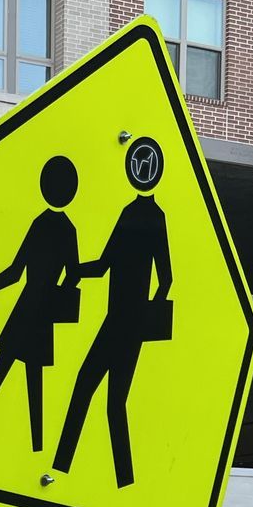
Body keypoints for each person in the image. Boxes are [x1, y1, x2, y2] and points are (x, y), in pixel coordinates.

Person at [52, 137, 173, 488]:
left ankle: (65, 466)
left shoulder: (147, 217)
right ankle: (121, 479)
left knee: (88, 388)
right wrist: (77, 271)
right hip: (123, 321)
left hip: (123, 322)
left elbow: (165, 277)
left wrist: (145, 314)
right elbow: (110, 265)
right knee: (111, 401)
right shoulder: (134, 214)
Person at [0, 155, 84, 453]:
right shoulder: (69, 230)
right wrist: (58, 295)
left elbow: (15, 271)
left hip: (28, 307)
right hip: (42, 313)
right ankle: (36, 448)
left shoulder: (41, 224)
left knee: (1, 371)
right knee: (34, 383)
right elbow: (74, 276)